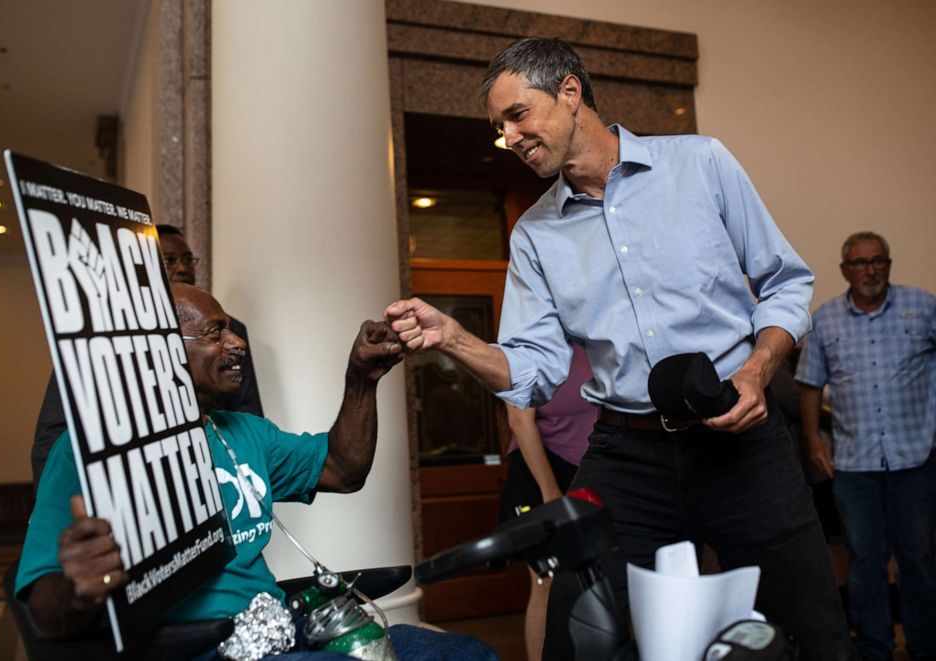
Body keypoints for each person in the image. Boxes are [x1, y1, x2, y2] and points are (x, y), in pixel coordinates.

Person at [386, 37, 855, 660]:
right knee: (577, 631)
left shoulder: (701, 164)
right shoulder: (533, 235)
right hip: (626, 453)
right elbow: (534, 373)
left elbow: (785, 281)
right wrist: (454, 337)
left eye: (518, 114)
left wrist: (756, 367)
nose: (510, 136)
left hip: (740, 441)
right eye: (499, 127)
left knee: (812, 629)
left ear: (571, 92)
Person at [15, 284, 496, 660]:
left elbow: (342, 469)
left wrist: (361, 380)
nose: (237, 342)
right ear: (159, 349)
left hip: (279, 631)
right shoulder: (87, 454)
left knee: (467, 652)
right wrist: (79, 592)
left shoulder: (242, 431)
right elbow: (45, 608)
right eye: (215, 332)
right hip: (195, 647)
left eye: (230, 329)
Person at [30, 224, 263, 486]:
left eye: (188, 259)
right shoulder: (99, 335)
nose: (184, 268)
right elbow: (55, 430)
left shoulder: (231, 330)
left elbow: (248, 410)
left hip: (214, 475)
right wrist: (54, 505)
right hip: (133, 484)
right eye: (169, 260)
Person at [796, 231, 936, 661]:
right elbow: (809, 384)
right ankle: (875, 648)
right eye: (860, 263)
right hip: (854, 464)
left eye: (877, 261)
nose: (870, 269)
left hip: (916, 457)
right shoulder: (826, 318)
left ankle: (925, 645)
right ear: (845, 270)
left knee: (919, 558)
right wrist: (813, 439)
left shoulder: (924, 306)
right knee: (864, 560)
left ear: (888, 265)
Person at [499, 345, 594, 661]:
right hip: (540, 474)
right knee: (546, 582)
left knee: (596, 580)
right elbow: (519, 422)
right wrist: (551, 493)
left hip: (591, 472)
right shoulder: (533, 348)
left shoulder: (597, 343)